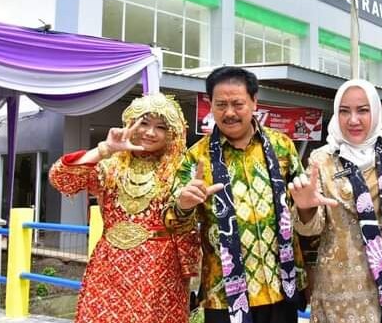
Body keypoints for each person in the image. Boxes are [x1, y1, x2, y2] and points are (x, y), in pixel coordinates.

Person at [165, 66, 308, 323]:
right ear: (210, 105)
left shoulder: (282, 146)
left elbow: (304, 206)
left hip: (281, 286)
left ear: (254, 102)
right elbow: (172, 223)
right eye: (221, 105)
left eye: (237, 103)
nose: (229, 113)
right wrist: (184, 205)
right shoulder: (196, 157)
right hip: (223, 294)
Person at [289, 79, 382, 323]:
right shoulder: (321, 160)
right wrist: (305, 208)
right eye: (344, 111)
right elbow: (311, 228)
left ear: (375, 112)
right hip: (342, 292)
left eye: (362, 110)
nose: (353, 120)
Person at [49, 93, 199, 323]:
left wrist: (185, 206)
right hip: (110, 263)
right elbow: (61, 179)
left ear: (173, 133)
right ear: (130, 124)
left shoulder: (181, 170)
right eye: (144, 123)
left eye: (160, 127)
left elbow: (184, 225)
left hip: (159, 267)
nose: (150, 132)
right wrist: (103, 150)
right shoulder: (110, 166)